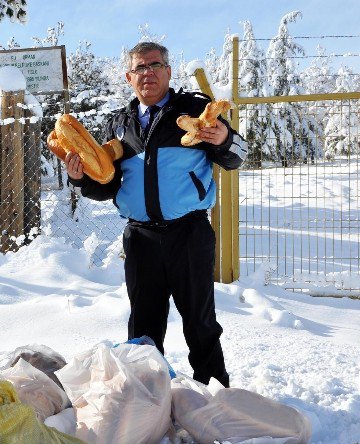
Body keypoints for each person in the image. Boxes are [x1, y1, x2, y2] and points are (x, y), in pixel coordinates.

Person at [64, 42, 247, 388]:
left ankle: (214, 397)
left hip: (188, 234)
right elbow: (106, 186)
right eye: (140, 68)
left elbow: (238, 155)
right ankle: (146, 396)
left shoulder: (196, 111)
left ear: (168, 71)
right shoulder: (118, 125)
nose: (148, 73)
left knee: (200, 322)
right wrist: (79, 178)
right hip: (141, 238)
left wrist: (223, 138)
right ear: (129, 76)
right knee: (143, 326)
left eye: (155, 65)